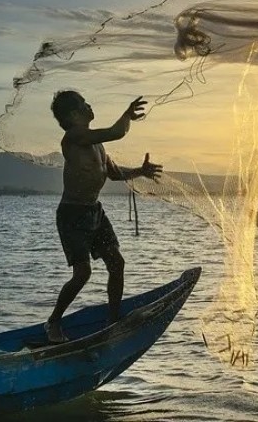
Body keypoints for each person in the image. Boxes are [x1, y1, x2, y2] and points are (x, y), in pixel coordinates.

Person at [44, 91, 162, 343]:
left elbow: (115, 174)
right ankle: (53, 322)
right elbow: (117, 132)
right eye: (85, 103)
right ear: (74, 115)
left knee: (116, 263)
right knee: (82, 273)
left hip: (94, 211)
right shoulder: (74, 137)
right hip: (72, 214)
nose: (90, 105)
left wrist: (140, 171)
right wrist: (128, 115)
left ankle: (113, 319)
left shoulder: (98, 144)